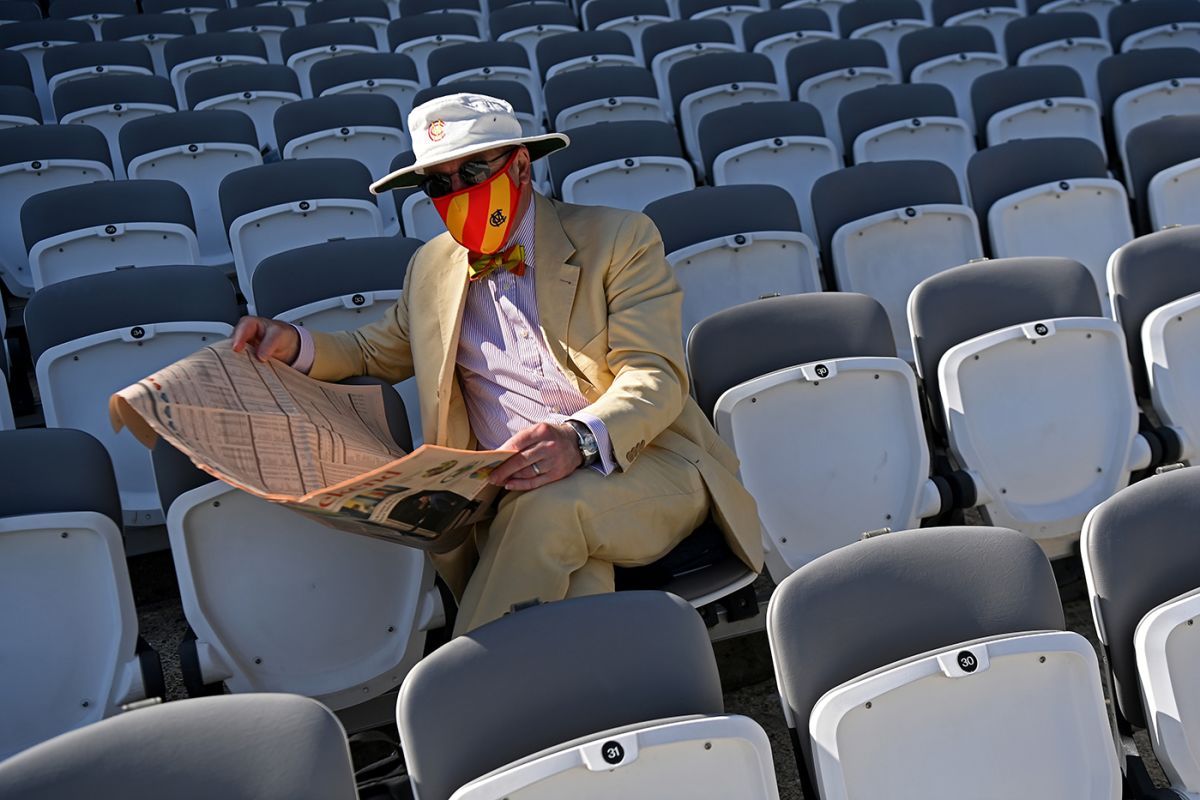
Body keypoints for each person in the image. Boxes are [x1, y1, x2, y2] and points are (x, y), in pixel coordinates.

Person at [231, 92, 763, 635]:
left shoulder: (618, 238)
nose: (456, 191)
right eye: (439, 182)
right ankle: (598, 709)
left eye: (472, 170)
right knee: (576, 591)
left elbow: (654, 375)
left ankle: (463, 694)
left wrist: (576, 440)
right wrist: (291, 344)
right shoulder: (431, 266)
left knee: (550, 513)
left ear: (522, 166)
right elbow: (375, 350)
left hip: (642, 465)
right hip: (509, 493)